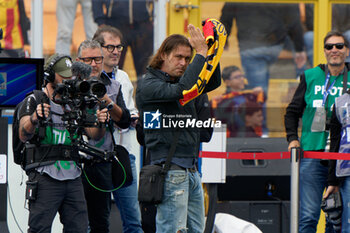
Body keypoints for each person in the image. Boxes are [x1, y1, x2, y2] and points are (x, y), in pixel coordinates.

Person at [136, 24, 221, 232]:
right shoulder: (148, 84)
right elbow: (182, 91)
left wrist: (212, 50)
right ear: (163, 55)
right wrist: (200, 53)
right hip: (170, 169)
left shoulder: (184, 81)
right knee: (172, 229)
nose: (183, 63)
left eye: (187, 59)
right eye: (178, 57)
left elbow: (213, 82)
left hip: (191, 170)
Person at [18, 53, 109, 232]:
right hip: (45, 176)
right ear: (50, 77)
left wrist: (101, 121)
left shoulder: (75, 102)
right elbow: (23, 134)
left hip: (73, 176)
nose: (69, 78)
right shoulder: (35, 99)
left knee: (79, 229)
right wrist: (35, 117)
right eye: (64, 74)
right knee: (40, 229)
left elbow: (94, 135)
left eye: (71, 74)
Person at [284, 31, 350, 233]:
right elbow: (292, 113)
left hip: (344, 158)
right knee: (308, 217)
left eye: (339, 46)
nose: (334, 50)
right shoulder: (310, 76)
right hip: (313, 153)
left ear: (347, 50)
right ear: (324, 51)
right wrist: (293, 139)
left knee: (341, 218)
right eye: (329, 46)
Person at [76, 39, 131, 233]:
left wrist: (106, 100)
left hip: (101, 162)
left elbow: (124, 120)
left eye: (97, 59)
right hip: (72, 163)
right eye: (88, 59)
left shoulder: (113, 86)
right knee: (74, 222)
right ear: (78, 61)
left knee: (100, 223)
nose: (93, 64)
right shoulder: (69, 87)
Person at [92, 25, 143, 232]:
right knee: (94, 221)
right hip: (93, 156)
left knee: (133, 220)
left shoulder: (122, 77)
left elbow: (130, 113)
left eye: (119, 47)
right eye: (110, 47)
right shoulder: (87, 79)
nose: (115, 51)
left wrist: (131, 117)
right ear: (98, 48)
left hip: (123, 154)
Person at [219, 2, 307, 96]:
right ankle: (299, 87)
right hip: (277, 46)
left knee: (258, 95)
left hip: (251, 48)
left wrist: (223, 40)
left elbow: (226, 17)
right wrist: (299, 49)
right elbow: (293, 21)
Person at [92, 0, 153, 79]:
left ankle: (143, 90)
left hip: (143, 24)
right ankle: (110, 89)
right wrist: (100, 20)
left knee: (144, 67)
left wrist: (155, 16)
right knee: (113, 65)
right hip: (115, 24)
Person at [211, 65, 265, 137]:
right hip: (232, 138)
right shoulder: (221, 101)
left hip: (253, 136)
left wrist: (261, 93)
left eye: (242, 76)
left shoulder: (251, 96)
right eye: (237, 77)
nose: (242, 79)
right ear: (227, 82)